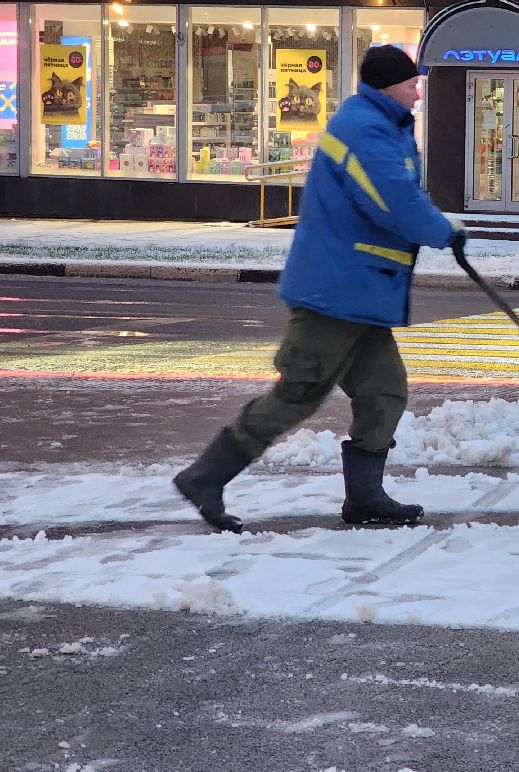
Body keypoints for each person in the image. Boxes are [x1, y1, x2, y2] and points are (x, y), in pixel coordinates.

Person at [174, 44, 467, 532]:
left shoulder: (381, 126)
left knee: (383, 392)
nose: (418, 91)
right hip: (336, 292)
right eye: (412, 83)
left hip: (361, 294)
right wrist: (443, 232)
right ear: (388, 86)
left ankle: (365, 498)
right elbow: (391, 200)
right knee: (299, 393)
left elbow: (397, 196)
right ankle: (205, 477)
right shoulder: (366, 130)